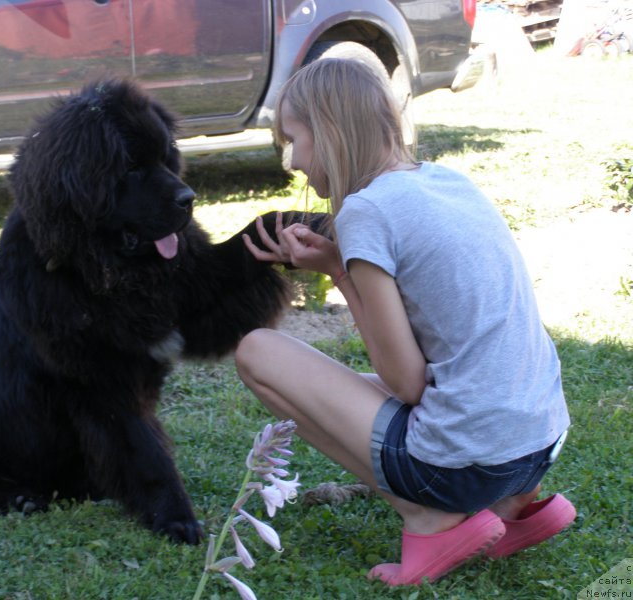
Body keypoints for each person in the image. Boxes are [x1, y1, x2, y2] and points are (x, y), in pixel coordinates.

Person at [235, 56, 575, 586]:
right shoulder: (447, 181)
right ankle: (509, 510)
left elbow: (407, 383)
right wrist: (335, 260)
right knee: (431, 389)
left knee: (258, 351)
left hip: (469, 461)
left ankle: (430, 517)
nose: (294, 160)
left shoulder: (367, 212)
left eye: (293, 139)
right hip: (536, 445)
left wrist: (343, 274)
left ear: (327, 133)